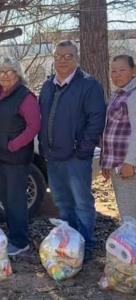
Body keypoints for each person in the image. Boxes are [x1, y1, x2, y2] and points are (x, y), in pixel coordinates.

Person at [38, 40, 106, 260]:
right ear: (53, 58)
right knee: (62, 202)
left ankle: (85, 246)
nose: (63, 60)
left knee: (82, 202)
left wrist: (83, 147)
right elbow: (42, 118)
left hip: (77, 157)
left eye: (68, 56)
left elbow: (97, 118)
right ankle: (69, 244)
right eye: (58, 56)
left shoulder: (88, 85)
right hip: (53, 156)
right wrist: (44, 146)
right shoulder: (48, 86)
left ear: (76, 58)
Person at [0, 57, 40, 256]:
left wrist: (13, 145)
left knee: (16, 200)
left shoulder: (25, 97)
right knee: (6, 199)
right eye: (2, 72)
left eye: (10, 71)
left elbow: (33, 126)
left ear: (18, 74)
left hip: (15, 158)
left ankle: (20, 241)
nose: (5, 75)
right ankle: (13, 235)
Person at [101, 55, 136, 220]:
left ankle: (130, 244)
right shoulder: (117, 94)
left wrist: (130, 162)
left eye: (122, 70)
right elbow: (111, 130)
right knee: (126, 212)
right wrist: (106, 162)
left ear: (133, 70)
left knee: (130, 216)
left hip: (129, 166)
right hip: (117, 165)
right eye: (113, 71)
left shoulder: (133, 95)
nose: (117, 75)